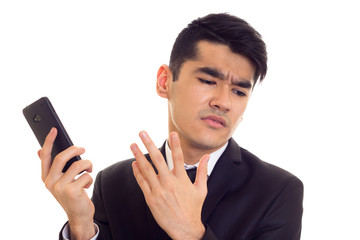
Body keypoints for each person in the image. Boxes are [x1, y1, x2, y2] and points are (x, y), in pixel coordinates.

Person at [38, 13, 303, 240]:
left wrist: (191, 233)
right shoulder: (113, 183)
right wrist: (81, 224)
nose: (223, 102)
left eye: (239, 92)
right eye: (208, 81)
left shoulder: (278, 191)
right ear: (165, 81)